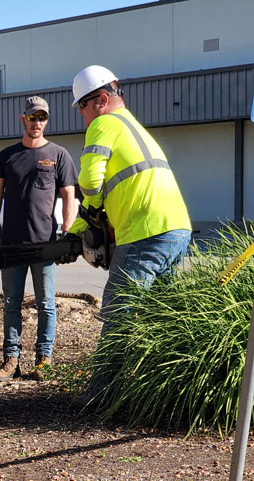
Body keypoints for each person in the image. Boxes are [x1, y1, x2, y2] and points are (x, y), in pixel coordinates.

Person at [66, 65, 192, 403]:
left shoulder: (104, 124)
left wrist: (91, 209)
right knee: (161, 313)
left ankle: (103, 396)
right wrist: (79, 227)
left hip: (145, 231)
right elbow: (114, 190)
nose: (82, 115)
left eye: (82, 106)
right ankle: (164, 391)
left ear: (102, 99)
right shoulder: (133, 127)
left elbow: (91, 183)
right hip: (176, 227)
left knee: (119, 309)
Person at [0, 96, 78, 382]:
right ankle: (11, 360)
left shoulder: (59, 155)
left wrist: (68, 232)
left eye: (42, 118)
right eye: (32, 117)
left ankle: (43, 359)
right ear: (22, 119)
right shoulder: (6, 156)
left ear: (46, 121)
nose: (37, 122)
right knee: (11, 303)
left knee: (46, 303)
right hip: (11, 243)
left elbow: (69, 196)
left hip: (45, 243)